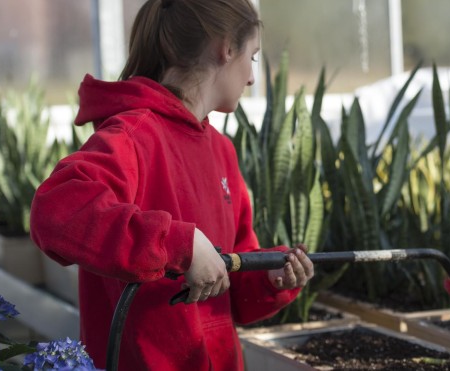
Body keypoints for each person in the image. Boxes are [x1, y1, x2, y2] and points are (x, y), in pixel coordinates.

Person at [29, 0, 314, 370]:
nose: (251, 79)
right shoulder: (132, 136)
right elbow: (55, 210)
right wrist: (178, 244)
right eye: (253, 57)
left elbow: (230, 285)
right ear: (226, 47)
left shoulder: (223, 151)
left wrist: (270, 277)